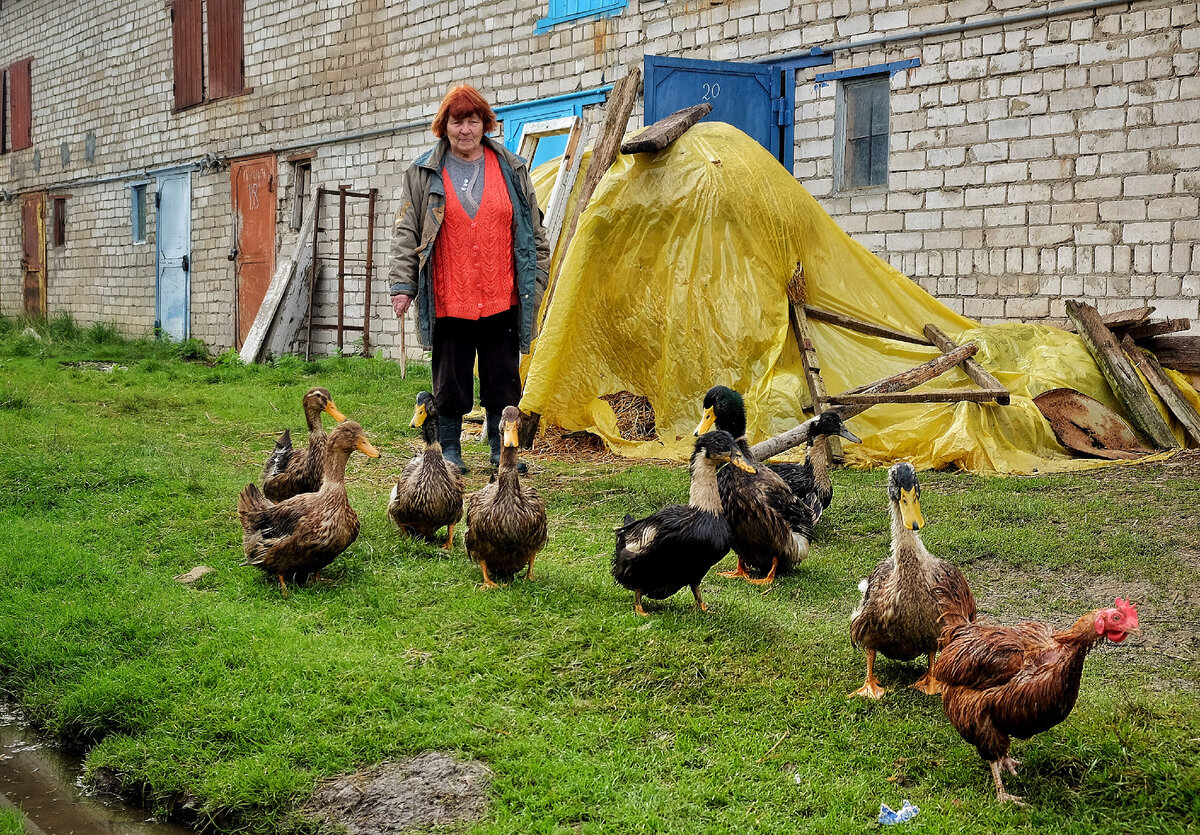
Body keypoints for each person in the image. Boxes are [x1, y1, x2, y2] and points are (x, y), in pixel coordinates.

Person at [389, 84, 550, 475]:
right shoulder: (424, 173)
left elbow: (534, 228)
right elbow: (406, 231)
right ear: (443, 126)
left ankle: (501, 450)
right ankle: (449, 450)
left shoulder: (511, 169)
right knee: (451, 379)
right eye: (457, 121)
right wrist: (402, 285)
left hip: (501, 292)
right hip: (450, 294)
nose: (465, 129)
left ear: (485, 124)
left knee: (502, 376)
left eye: (473, 120)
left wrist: (539, 277)